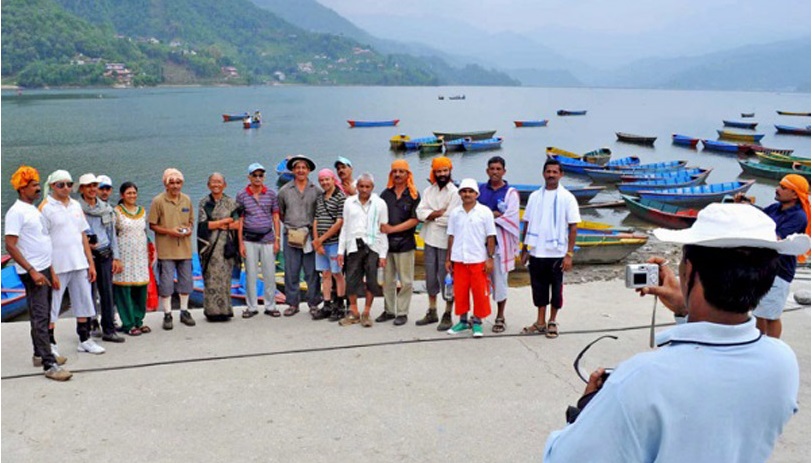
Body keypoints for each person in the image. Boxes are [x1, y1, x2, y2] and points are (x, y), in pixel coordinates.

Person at [543, 203, 810, 462]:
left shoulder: (639, 380)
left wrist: (587, 408)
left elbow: (561, 457)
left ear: (688, 270)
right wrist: (686, 309)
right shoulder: (782, 362)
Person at [5, 166, 73, 381]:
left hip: (43, 268)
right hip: (32, 271)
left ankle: (39, 353)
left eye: (37, 184)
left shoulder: (32, 209)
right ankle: (49, 364)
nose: (37, 188)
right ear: (22, 188)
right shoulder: (16, 212)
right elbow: (10, 245)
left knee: (40, 314)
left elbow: (42, 241)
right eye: (33, 185)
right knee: (41, 316)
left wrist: (50, 270)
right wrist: (32, 271)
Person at [734, 174, 809, 338]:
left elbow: (776, 239)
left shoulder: (798, 217)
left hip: (779, 272)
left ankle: (773, 346)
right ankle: (759, 342)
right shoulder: (775, 208)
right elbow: (761, 216)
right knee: (759, 312)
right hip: (764, 267)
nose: (777, 189)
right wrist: (747, 206)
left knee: (771, 316)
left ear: (795, 194)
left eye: (783, 187)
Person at [39, 170, 104, 355]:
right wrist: (49, 270)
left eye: (69, 184)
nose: (66, 188)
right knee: (53, 306)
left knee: (83, 301)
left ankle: (84, 339)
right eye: (61, 184)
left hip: (79, 262)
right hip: (57, 265)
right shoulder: (45, 208)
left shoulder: (75, 205)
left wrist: (90, 263)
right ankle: (50, 343)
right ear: (52, 186)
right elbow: (42, 242)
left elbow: (83, 235)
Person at [520, 159, 580, 338]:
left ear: (561, 174)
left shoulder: (567, 198)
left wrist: (569, 254)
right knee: (538, 288)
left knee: (556, 288)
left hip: (557, 252)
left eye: (555, 172)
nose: (551, 175)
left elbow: (573, 227)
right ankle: (540, 322)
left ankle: (552, 321)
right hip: (537, 250)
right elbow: (527, 222)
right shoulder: (535, 197)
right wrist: (524, 249)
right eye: (548, 171)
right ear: (543, 173)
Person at [444, 179, 497, 338]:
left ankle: (477, 323)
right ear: (460, 194)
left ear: (476, 194)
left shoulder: (484, 212)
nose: (467, 194)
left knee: (480, 292)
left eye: (470, 191)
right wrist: (448, 258)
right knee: (460, 291)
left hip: (478, 258)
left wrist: (490, 258)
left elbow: (490, 237)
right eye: (464, 191)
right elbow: (451, 236)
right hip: (459, 258)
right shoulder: (455, 213)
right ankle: (462, 321)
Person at [77, 173, 125, 343]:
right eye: (88, 186)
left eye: (94, 186)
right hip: (84, 256)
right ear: (81, 189)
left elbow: (112, 234)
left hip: (105, 254)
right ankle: (90, 325)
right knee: (87, 293)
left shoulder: (106, 208)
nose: (92, 189)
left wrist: (116, 257)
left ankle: (109, 329)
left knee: (107, 293)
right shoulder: (76, 208)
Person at [415, 156, 461, 330]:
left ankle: (448, 313)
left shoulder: (455, 193)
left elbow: (451, 219)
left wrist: (431, 216)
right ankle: (432, 310)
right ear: (434, 172)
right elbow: (419, 213)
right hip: (428, 239)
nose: (442, 174)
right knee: (430, 276)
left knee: (447, 278)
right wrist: (437, 214)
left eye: (445, 171)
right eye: (439, 171)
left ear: (450, 171)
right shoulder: (428, 191)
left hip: (445, 242)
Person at [337, 173, 388, 327]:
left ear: (372, 187)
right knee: (351, 279)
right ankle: (354, 312)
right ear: (356, 186)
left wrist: (383, 254)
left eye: (367, 186)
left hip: (373, 246)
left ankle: (366, 312)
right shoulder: (349, 202)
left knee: (371, 280)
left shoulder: (380, 204)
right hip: (353, 245)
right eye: (361, 186)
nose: (364, 189)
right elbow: (345, 227)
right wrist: (341, 251)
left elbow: (383, 229)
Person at [149, 168, 196, 330]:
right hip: (166, 250)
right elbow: (152, 225)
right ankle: (167, 314)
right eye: (172, 183)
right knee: (166, 283)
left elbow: (191, 221)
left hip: (185, 248)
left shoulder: (187, 200)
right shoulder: (158, 201)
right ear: (166, 184)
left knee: (186, 281)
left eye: (178, 183)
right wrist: (170, 231)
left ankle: (184, 311)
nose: (175, 186)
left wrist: (188, 229)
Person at [477, 156, 520, 333]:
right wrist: (491, 215)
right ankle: (478, 314)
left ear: (504, 171)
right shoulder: (479, 190)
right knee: (478, 280)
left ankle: (500, 316)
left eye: (498, 169)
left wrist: (490, 216)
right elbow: (474, 211)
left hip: (500, 243)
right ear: (487, 171)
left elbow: (511, 217)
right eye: (492, 168)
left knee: (500, 281)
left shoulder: (510, 193)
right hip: (479, 242)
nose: (495, 172)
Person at [277, 155, 322, 317]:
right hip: (291, 234)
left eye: (304, 168)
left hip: (309, 234)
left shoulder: (316, 190)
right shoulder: (284, 191)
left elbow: (319, 213)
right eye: (298, 168)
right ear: (293, 170)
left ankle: (314, 303)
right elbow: (281, 213)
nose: (301, 171)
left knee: (311, 271)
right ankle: (292, 303)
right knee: (291, 270)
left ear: (309, 171)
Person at [377, 159, 420, 326]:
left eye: (401, 171)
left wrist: (393, 229)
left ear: (407, 174)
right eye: (395, 171)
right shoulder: (385, 194)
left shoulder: (414, 195)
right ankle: (389, 310)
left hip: (405, 243)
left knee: (406, 281)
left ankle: (402, 312)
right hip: (386, 245)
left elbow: (415, 219)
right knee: (388, 280)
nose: (397, 174)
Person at [236, 163, 281, 318]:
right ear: (249, 177)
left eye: (260, 175)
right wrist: (240, 242)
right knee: (251, 274)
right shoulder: (242, 195)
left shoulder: (271, 194)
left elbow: (276, 217)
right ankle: (251, 306)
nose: (257, 178)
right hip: (249, 239)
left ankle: (270, 305)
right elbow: (240, 220)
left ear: (264, 177)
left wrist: (277, 239)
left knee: (269, 274)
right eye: (254, 175)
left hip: (268, 238)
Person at [198, 173, 242, 321]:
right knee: (211, 279)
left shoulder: (231, 203)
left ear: (225, 185)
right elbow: (203, 226)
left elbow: (237, 224)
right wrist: (223, 222)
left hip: (226, 246)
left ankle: (225, 311)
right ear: (208, 185)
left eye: (219, 182)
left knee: (225, 279)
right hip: (209, 247)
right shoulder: (204, 203)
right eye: (213, 182)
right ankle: (211, 312)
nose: (216, 185)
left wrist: (222, 224)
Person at [113, 182, 152, 335]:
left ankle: (138, 320)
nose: (132, 196)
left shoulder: (142, 211)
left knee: (140, 289)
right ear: (122, 195)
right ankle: (128, 324)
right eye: (128, 193)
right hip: (124, 256)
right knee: (124, 290)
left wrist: (149, 252)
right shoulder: (116, 212)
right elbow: (113, 235)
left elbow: (144, 232)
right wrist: (115, 258)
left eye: (134, 193)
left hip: (140, 256)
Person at [312, 168, 347, 321]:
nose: (325, 182)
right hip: (321, 244)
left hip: (334, 243)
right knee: (325, 274)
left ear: (333, 180)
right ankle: (327, 303)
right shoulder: (320, 198)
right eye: (322, 180)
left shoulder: (341, 197)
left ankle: (340, 304)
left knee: (337, 273)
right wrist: (316, 241)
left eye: (327, 179)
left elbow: (340, 222)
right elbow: (316, 219)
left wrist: (322, 238)